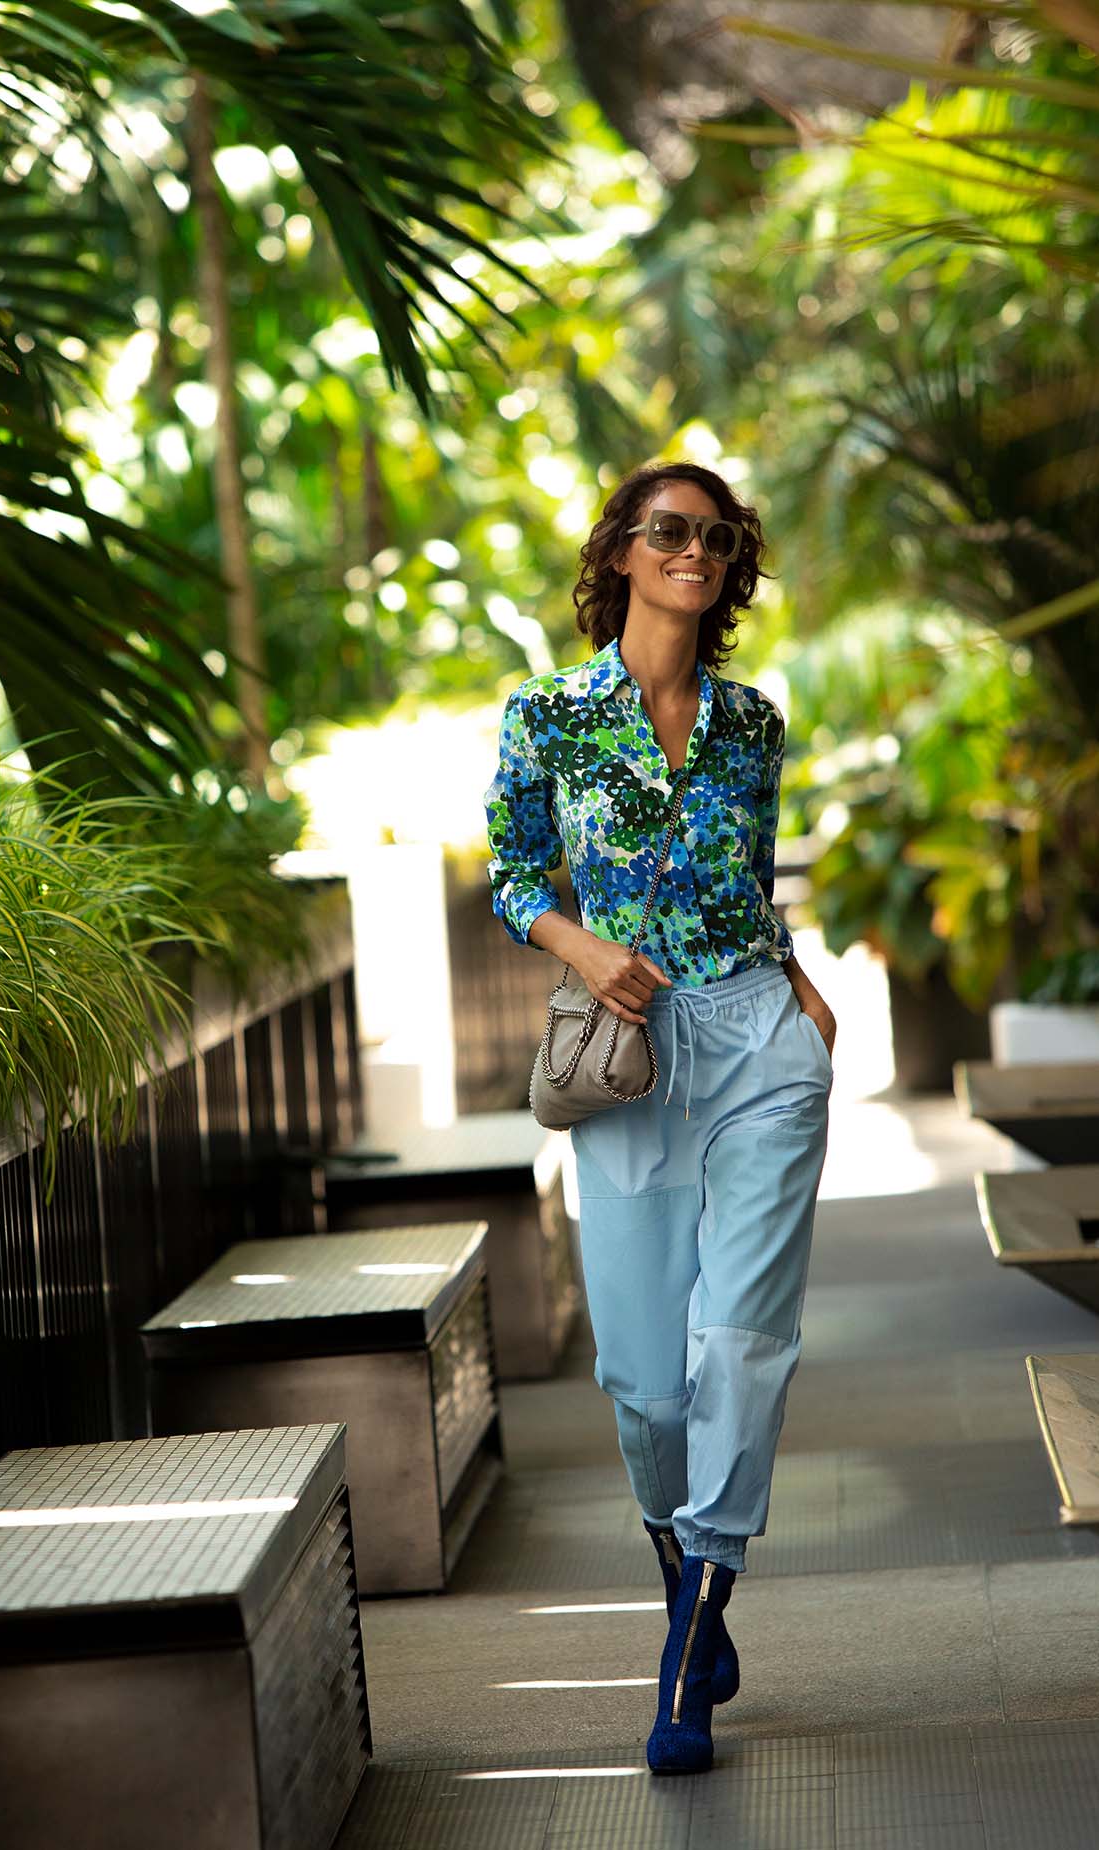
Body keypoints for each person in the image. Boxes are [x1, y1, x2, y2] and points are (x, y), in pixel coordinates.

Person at [482, 460, 834, 1775]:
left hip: (756, 1042)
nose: (695, 550)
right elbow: (515, 871)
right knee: (642, 1378)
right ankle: (686, 1569)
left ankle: (690, 1648)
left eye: (717, 535)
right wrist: (580, 948)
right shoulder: (549, 716)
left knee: (738, 1340)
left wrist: (798, 983)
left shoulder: (754, 722)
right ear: (623, 552)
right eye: (670, 531)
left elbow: (750, 877)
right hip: (625, 1056)